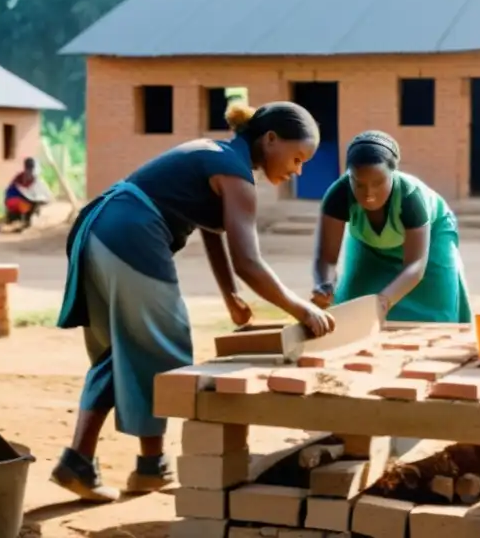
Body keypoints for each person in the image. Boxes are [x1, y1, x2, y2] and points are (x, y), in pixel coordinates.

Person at [51, 102, 335, 503]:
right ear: (270, 140)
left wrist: (230, 296)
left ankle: (79, 461)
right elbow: (249, 262)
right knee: (164, 345)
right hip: (130, 231)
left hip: (98, 227)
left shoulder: (218, 154)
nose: (298, 170)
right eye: (297, 157)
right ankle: (151, 468)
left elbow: (212, 228)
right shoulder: (236, 174)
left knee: (121, 349)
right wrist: (302, 309)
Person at [311, 131, 472, 323]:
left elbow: (416, 265)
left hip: (432, 237)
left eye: (378, 183)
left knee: (436, 310)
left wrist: (384, 301)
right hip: (367, 242)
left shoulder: (411, 197)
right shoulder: (338, 196)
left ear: (393, 174)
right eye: (359, 184)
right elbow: (327, 258)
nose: (369, 193)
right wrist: (325, 284)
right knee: (352, 307)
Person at [3, 157, 48, 230]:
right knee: (34, 203)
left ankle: (18, 220)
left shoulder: (23, 176)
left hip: (11, 201)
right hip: (15, 202)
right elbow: (27, 193)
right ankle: (24, 221)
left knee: (34, 202)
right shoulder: (25, 177)